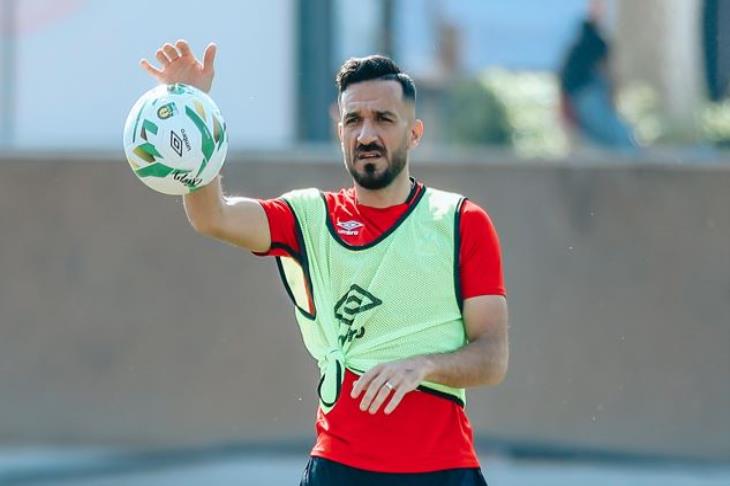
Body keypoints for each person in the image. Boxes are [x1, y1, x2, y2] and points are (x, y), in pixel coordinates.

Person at [140, 40, 509, 486]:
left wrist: (423, 366)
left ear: (414, 133)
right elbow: (211, 217)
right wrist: (193, 110)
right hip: (338, 470)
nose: (366, 135)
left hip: (445, 472)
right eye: (353, 120)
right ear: (340, 132)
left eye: (383, 119)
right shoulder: (309, 216)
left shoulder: (461, 221)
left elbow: (492, 357)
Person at [558, 13, 637, 151]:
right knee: (613, 136)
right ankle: (630, 154)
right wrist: (611, 92)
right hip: (587, 95)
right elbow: (607, 71)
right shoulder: (597, 45)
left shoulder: (575, 50)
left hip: (579, 96)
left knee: (600, 135)